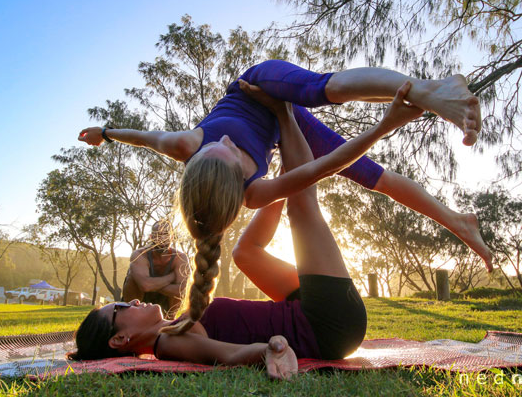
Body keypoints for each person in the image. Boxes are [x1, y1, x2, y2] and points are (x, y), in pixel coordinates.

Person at [79, 61, 492, 322]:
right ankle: (458, 222)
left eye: (215, 145)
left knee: (321, 89)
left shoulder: (188, 144)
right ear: (238, 182)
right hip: (282, 119)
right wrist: (383, 125)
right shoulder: (256, 193)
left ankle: (427, 91)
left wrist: (107, 133)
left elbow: (145, 137)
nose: (222, 140)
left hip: (259, 85)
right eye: (227, 152)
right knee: (373, 177)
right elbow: (323, 168)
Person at [68, 81, 421, 379]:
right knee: (303, 203)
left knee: (244, 252)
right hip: (328, 324)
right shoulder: (168, 343)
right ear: (120, 340)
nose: (130, 300)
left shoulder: (174, 328)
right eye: (119, 309)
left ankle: (287, 165)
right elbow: (233, 354)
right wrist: (274, 349)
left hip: (308, 312)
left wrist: (108, 133)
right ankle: (286, 120)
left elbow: (152, 139)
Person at [122, 221, 190, 316]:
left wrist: (150, 284)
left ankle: (169, 320)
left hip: (166, 300)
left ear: (172, 237)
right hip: (140, 299)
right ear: (151, 237)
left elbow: (183, 290)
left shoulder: (180, 257)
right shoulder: (139, 255)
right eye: (158, 235)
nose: (161, 239)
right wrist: (171, 277)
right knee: (132, 278)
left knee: (180, 288)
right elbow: (145, 286)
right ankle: (131, 315)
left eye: (165, 235)